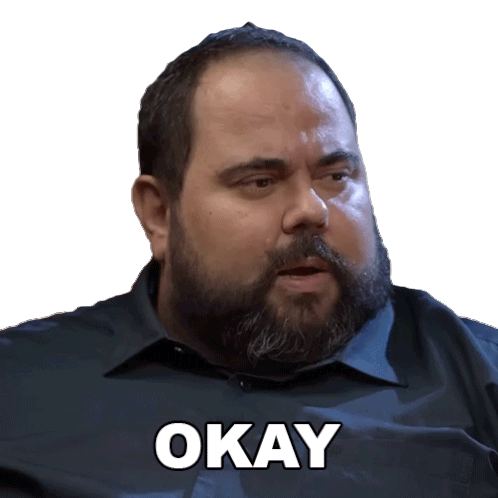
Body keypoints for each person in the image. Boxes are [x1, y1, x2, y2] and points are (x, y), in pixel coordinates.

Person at [1, 22, 497, 498]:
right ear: (160, 213)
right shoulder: (19, 390)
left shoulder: (479, 383)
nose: (311, 210)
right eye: (260, 182)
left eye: (335, 176)